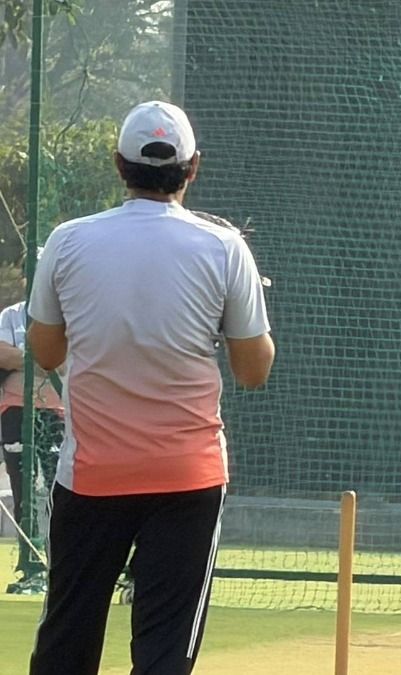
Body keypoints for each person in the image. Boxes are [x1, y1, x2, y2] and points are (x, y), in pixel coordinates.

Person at [26, 100, 275, 674]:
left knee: (67, 641)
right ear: (193, 168)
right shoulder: (225, 248)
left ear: (119, 165)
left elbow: (45, 351)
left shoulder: (68, 241)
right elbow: (253, 370)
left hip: (92, 477)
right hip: (187, 479)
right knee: (165, 653)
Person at [0, 291, 64, 588]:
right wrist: (41, 360)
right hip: (15, 410)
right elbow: (3, 354)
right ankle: (32, 564)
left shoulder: (69, 313)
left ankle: (60, 560)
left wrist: (24, 360)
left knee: (60, 487)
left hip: (59, 412)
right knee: (22, 485)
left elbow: (67, 361)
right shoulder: (11, 315)